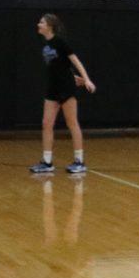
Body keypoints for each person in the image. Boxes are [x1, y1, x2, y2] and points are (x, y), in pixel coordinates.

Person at [30, 13, 96, 176]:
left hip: (66, 89)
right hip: (52, 88)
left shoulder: (60, 42)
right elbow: (58, 67)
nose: (38, 24)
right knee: (46, 124)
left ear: (50, 26)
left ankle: (79, 161)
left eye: (42, 22)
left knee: (72, 123)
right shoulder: (45, 44)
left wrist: (86, 80)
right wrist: (72, 76)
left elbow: (75, 61)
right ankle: (47, 162)